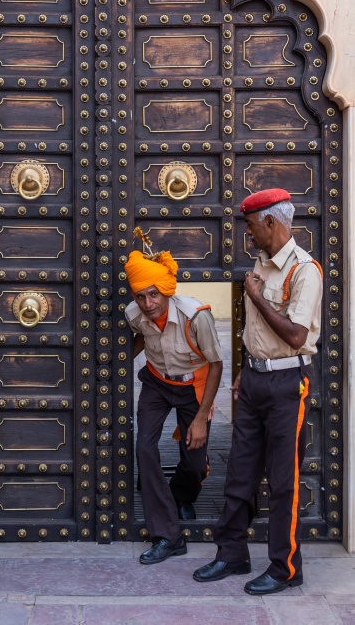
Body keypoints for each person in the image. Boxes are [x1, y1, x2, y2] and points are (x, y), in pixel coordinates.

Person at [193, 188, 322, 595]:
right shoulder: (261, 263)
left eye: (250, 226)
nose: (246, 234)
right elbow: (254, 332)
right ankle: (231, 553)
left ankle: (285, 568)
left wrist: (255, 297)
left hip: (287, 383)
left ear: (271, 222)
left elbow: (297, 334)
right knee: (240, 470)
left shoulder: (304, 270)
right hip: (253, 381)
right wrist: (245, 371)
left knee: (284, 479)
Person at [125, 234, 223, 565]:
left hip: (193, 385)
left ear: (166, 290)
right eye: (141, 296)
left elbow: (216, 364)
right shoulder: (134, 313)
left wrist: (201, 417)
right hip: (156, 383)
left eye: (154, 294)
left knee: (194, 458)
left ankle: (181, 493)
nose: (149, 303)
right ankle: (167, 534)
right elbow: (141, 337)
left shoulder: (197, 317)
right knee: (144, 449)